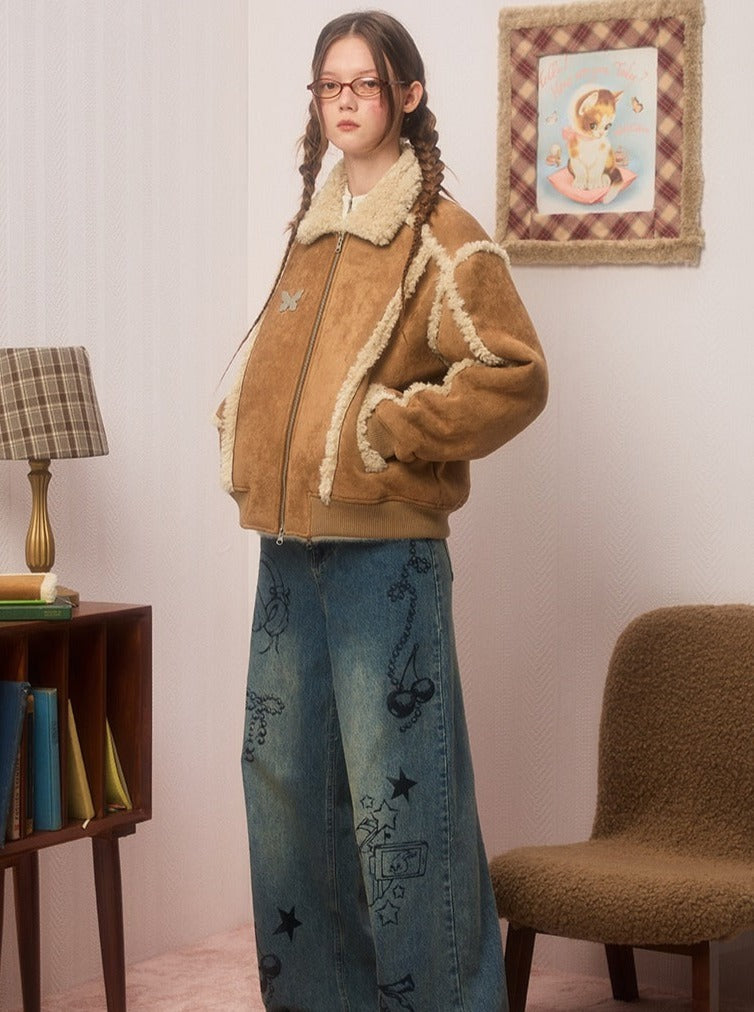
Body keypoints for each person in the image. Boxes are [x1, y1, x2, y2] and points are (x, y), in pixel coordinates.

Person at [215, 11, 547, 1010]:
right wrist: (243, 421)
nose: (345, 101)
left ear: (407, 94)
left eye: (365, 83)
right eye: (330, 85)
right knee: (285, 797)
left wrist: (385, 428)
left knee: (403, 815)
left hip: (384, 564)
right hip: (288, 554)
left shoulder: (443, 235)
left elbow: (514, 374)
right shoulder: (313, 233)